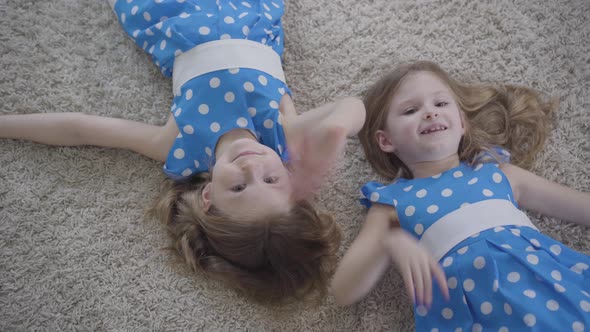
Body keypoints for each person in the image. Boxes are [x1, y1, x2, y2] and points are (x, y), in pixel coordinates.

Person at [0, 0, 366, 304]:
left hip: (170, 12)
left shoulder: (178, 146)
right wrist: (338, 128)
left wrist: (6, 125)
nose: (252, 168)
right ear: (289, 175)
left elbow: (82, 129)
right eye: (271, 179)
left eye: (238, 188)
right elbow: (355, 105)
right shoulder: (285, 136)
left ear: (207, 196)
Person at [331, 61, 589, 330]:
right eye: (410, 110)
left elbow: (580, 206)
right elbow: (342, 291)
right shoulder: (392, 203)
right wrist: (391, 241)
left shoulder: (499, 173)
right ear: (386, 141)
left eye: (441, 104)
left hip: (554, 293)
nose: (430, 113)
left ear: (462, 123)